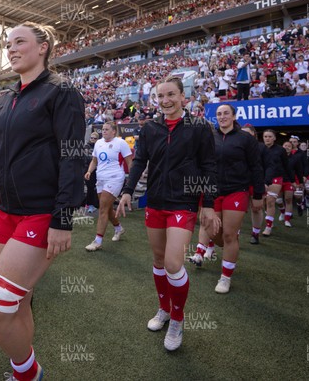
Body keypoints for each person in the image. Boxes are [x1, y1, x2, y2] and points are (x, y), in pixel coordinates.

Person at [0, 22, 85, 381]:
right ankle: (23, 373)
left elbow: (73, 156)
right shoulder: (6, 97)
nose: (11, 49)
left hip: (40, 213)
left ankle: (29, 373)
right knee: (19, 299)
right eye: (8, 44)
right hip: (4, 212)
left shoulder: (62, 92)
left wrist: (63, 218)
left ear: (43, 47)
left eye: (20, 42)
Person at [117, 75, 220, 351]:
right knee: (159, 259)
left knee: (175, 263)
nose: (165, 101)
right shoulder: (150, 128)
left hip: (183, 203)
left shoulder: (200, 127)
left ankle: (177, 318)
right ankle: (163, 309)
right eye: (160, 96)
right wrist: (128, 190)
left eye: (171, 95)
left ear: (182, 96)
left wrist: (208, 204)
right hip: (156, 202)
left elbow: (209, 166)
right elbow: (139, 161)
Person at [190, 104, 264, 294]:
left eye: (226, 113)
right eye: (219, 114)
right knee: (211, 230)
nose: (222, 117)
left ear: (233, 116)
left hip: (236, 191)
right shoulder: (209, 138)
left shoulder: (246, 139)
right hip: (212, 191)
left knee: (230, 235)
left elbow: (256, 167)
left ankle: (225, 277)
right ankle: (216, 247)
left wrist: (257, 195)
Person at [84, 122, 132, 251]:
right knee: (107, 208)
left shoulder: (120, 143)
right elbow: (94, 160)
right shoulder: (98, 143)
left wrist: (131, 182)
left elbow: (129, 161)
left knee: (103, 208)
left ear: (114, 132)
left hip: (115, 178)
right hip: (101, 178)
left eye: (106, 129)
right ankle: (118, 228)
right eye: (103, 129)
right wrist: (89, 171)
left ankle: (97, 241)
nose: (103, 131)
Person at [260, 129, 292, 236]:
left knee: (270, 200)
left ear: (274, 138)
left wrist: (293, 180)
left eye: (270, 136)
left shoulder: (280, 150)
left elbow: (286, 165)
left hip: (276, 178)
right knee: (263, 201)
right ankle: (270, 219)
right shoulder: (260, 149)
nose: (267, 138)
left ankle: (268, 227)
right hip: (262, 178)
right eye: (265, 136)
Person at [241, 124, 265, 244]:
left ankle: (255, 234)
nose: (244, 136)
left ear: (253, 135)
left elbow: (265, 167)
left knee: (256, 209)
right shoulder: (235, 146)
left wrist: (264, 183)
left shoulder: (261, 147)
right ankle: (235, 233)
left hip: (255, 182)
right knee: (237, 210)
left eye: (247, 133)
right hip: (239, 182)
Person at [84, 131, 99, 214]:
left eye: (95, 138)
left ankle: (94, 204)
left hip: (98, 170)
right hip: (88, 169)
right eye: (91, 138)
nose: (93, 139)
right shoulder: (86, 146)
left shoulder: (100, 146)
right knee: (90, 187)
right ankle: (89, 204)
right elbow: (87, 157)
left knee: (95, 188)